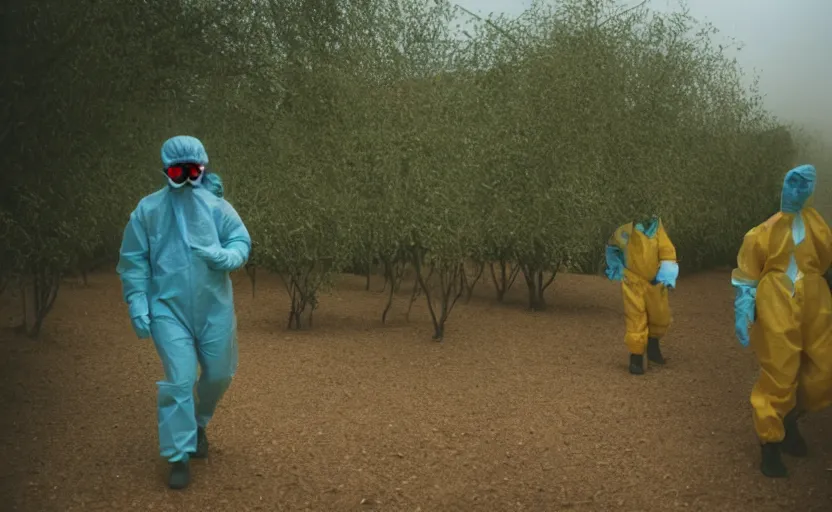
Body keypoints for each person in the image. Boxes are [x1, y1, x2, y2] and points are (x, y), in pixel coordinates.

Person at [116, 136, 251, 489]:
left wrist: (227, 256)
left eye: (194, 171)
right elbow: (133, 261)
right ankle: (178, 455)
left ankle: (198, 422)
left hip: (214, 307)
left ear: (202, 168)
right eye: (178, 170)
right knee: (178, 378)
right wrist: (138, 301)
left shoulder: (218, 207)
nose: (187, 176)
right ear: (166, 170)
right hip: (167, 308)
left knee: (219, 374)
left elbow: (241, 240)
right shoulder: (147, 210)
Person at [732, 164, 832, 478]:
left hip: (816, 299)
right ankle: (771, 444)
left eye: (805, 184)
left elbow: (826, 259)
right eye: (793, 182)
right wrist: (744, 304)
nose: (798, 189)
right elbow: (749, 269)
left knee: (822, 370)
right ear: (784, 185)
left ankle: (789, 417)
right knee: (780, 370)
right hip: (776, 297)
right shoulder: (764, 230)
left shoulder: (818, 224)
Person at [604, 214, 679, 375]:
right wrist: (618, 269)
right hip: (633, 282)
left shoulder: (657, 227)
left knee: (660, 316)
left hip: (655, 281)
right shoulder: (626, 229)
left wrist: (666, 274)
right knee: (635, 317)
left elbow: (667, 251)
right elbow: (612, 248)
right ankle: (636, 357)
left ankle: (653, 346)